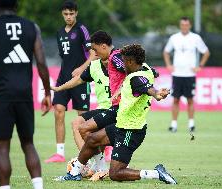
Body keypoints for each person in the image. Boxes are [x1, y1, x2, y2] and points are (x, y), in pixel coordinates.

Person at [56, 44, 177, 184]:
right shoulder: (146, 69)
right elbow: (149, 78)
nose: (121, 64)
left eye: (124, 61)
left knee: (115, 173)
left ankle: (156, 173)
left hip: (130, 132)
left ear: (131, 62)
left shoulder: (136, 79)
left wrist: (156, 93)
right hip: (121, 125)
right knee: (92, 140)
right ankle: (74, 173)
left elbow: (147, 87)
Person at [0, 1, 51, 189]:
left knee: (2, 148)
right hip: (25, 94)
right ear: (16, 6)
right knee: (28, 143)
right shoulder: (33, 27)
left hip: (1, 95)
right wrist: (47, 92)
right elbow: (41, 63)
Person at [45, 0, 96, 163]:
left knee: (83, 119)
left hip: (81, 80)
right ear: (62, 14)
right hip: (63, 77)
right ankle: (59, 153)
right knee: (58, 110)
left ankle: (93, 150)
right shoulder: (60, 32)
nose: (68, 17)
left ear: (76, 13)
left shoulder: (81, 29)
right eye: (66, 14)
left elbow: (93, 54)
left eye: (71, 14)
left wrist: (81, 69)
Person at [51, 58, 111, 151]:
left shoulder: (120, 63)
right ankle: (85, 161)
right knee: (77, 123)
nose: (94, 53)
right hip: (102, 109)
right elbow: (79, 79)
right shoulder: (94, 65)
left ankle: (104, 151)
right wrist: (59, 88)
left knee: (93, 129)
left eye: (94, 50)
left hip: (118, 110)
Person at [163, 16, 210, 133]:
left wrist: (200, 66)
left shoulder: (195, 38)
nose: (184, 27)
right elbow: (166, 52)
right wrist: (168, 65)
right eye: (182, 25)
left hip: (190, 75)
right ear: (180, 26)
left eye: (186, 25)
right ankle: (173, 125)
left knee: (190, 100)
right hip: (177, 74)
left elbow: (206, 52)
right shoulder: (174, 38)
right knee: (175, 100)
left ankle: (191, 124)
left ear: (190, 26)